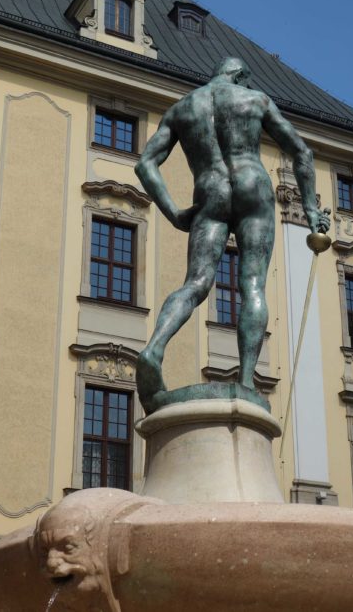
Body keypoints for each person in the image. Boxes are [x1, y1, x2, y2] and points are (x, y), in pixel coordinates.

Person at [135, 57, 329, 411]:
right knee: (252, 285)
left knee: (195, 283)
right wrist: (312, 210)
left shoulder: (183, 108)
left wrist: (174, 212)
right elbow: (302, 151)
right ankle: (246, 381)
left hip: (209, 192)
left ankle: (154, 348)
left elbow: (145, 163)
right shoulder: (255, 100)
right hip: (253, 187)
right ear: (241, 76)